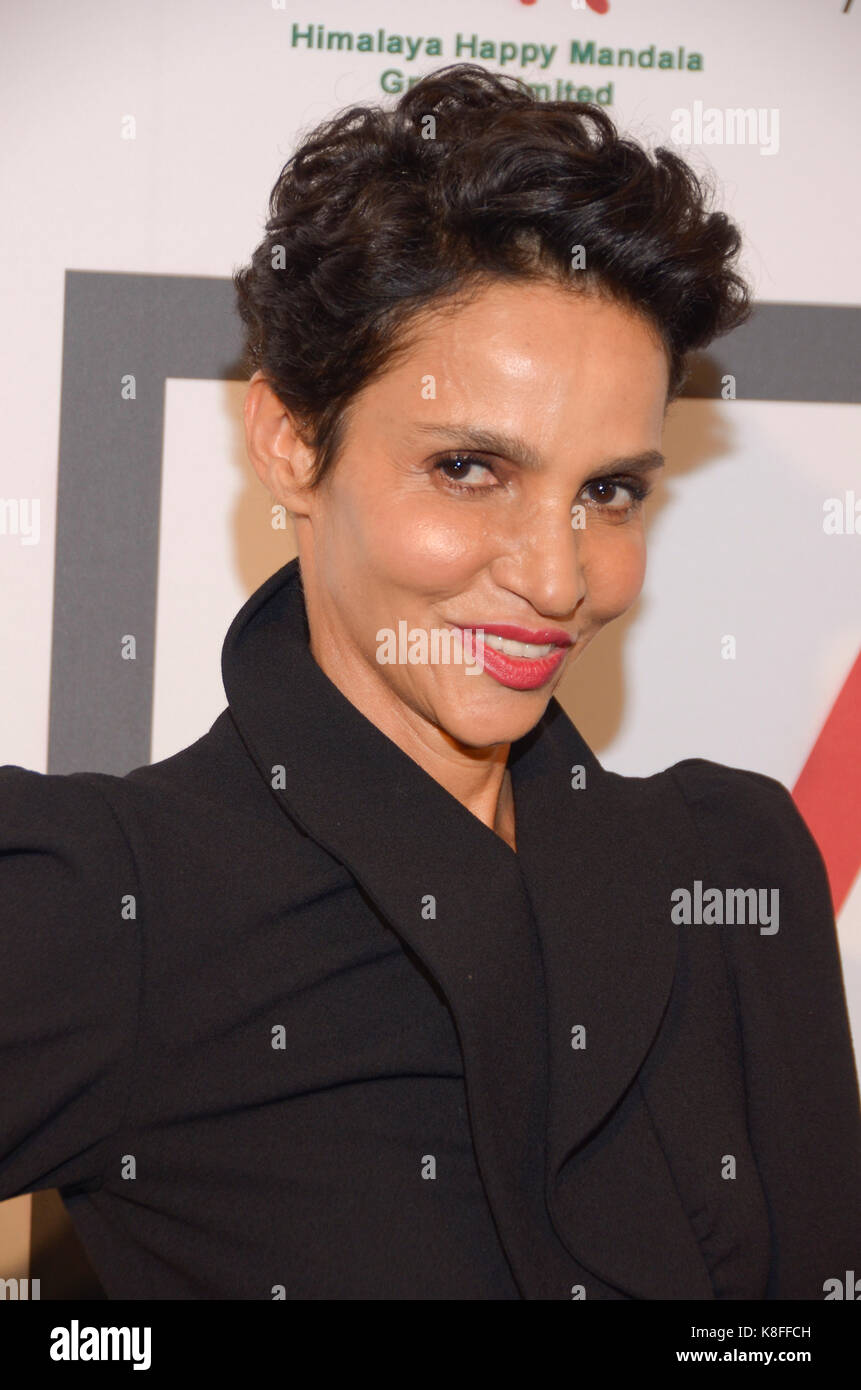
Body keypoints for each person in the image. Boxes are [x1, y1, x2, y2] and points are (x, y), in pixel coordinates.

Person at [1, 64, 858, 1300]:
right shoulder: (116, 906)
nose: (559, 577)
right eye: (471, 469)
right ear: (293, 442)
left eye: (607, 490)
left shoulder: (728, 867)